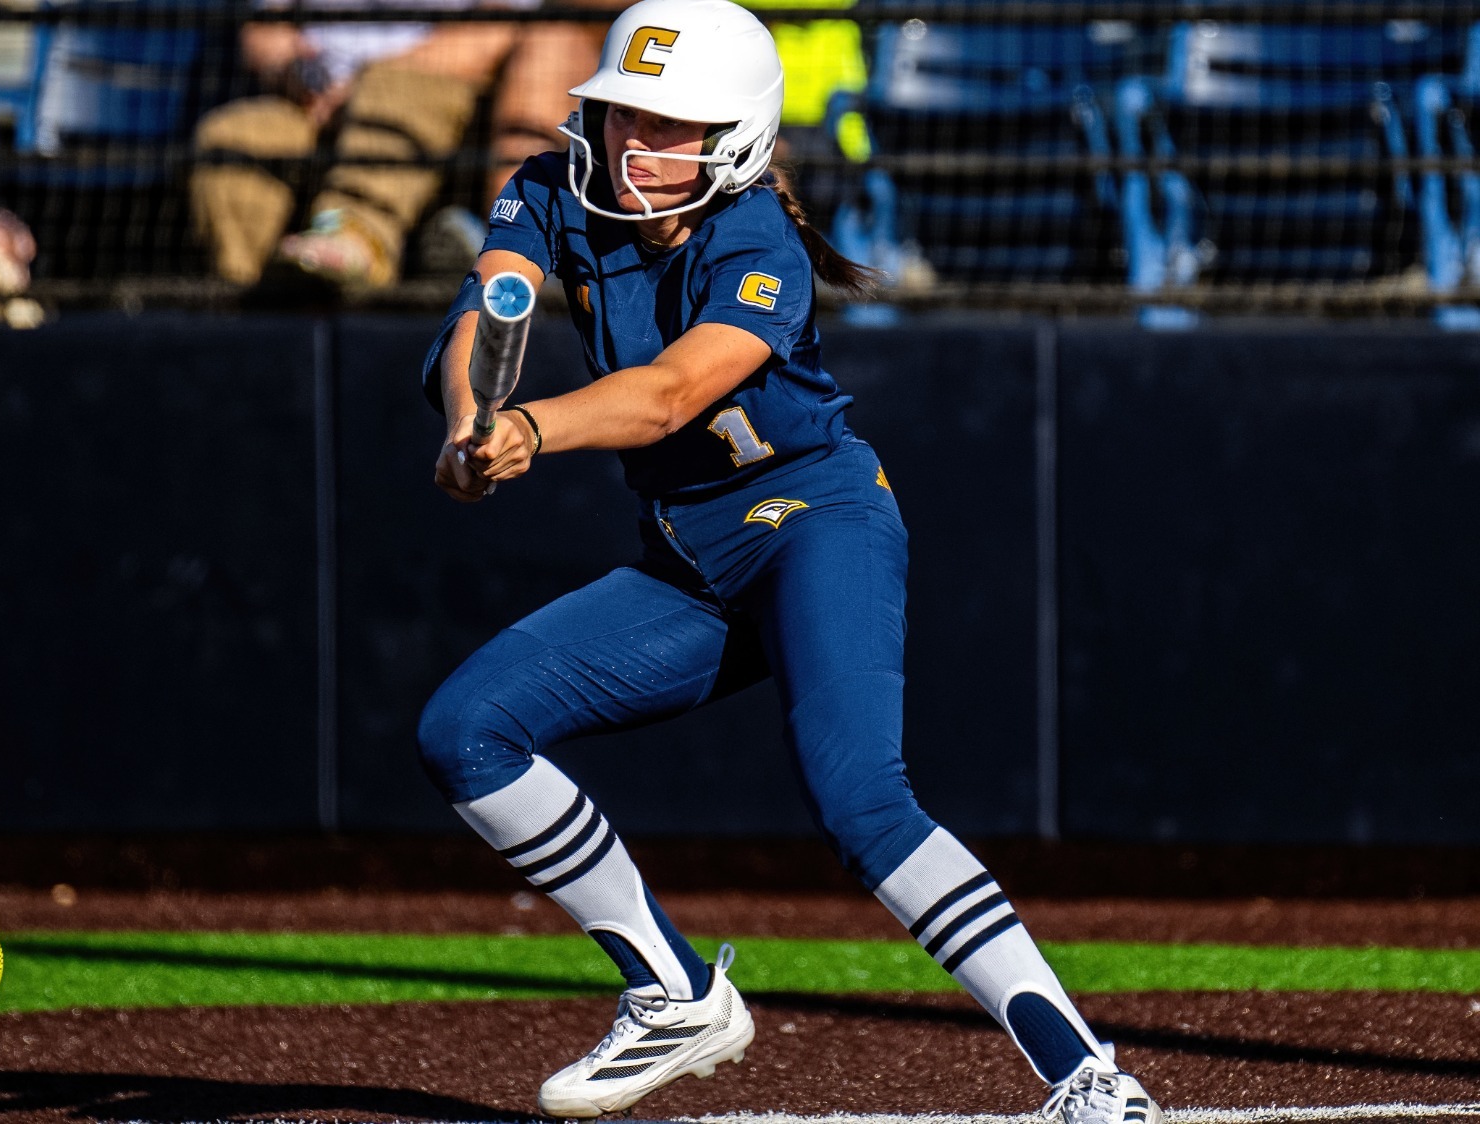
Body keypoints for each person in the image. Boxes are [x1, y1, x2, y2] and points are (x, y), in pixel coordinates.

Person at [414, 3, 1165, 1122]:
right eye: (623, 113)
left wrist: (528, 428)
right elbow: (488, 308)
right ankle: (674, 993)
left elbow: (667, 395)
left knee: (861, 800)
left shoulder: (757, 238)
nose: (633, 143)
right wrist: (468, 420)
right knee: (463, 730)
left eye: (670, 124)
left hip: (813, 522)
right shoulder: (552, 182)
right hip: (687, 560)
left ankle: (1086, 1071)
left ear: (735, 137)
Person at [189, 0, 533, 291]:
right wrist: (289, 70)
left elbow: (497, 27)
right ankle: (250, 301)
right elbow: (265, 26)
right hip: (312, 106)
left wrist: (365, 86)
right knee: (229, 140)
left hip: (428, 94)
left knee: (391, 90)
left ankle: (356, 241)